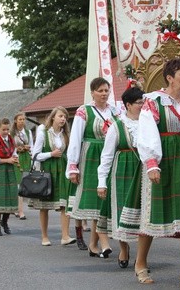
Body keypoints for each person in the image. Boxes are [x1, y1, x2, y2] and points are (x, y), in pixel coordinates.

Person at [135, 59, 180, 286]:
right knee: (153, 213)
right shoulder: (154, 101)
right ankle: (140, 263)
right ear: (170, 77)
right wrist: (152, 162)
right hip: (163, 158)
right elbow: (146, 131)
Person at [66, 77, 117, 258]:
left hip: (110, 156)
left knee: (105, 201)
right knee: (96, 200)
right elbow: (75, 139)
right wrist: (73, 166)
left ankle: (94, 243)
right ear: (92, 92)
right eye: (100, 91)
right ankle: (98, 243)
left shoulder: (115, 111)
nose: (104, 94)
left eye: (106, 90)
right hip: (90, 157)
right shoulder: (84, 111)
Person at [96, 85, 144, 272]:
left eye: (143, 102)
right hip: (123, 171)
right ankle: (124, 249)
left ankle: (141, 258)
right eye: (139, 103)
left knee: (143, 214)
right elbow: (106, 156)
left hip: (143, 170)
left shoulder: (150, 123)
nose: (142, 106)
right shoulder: (117, 126)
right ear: (128, 105)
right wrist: (102, 182)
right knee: (122, 212)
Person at [30, 106, 76, 246]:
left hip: (62, 170)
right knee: (44, 206)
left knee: (64, 204)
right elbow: (35, 156)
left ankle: (65, 236)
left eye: (65, 117)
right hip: (47, 171)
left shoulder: (66, 134)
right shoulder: (44, 132)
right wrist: (51, 154)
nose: (63, 119)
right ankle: (44, 236)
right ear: (53, 117)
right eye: (60, 116)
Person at [11, 112, 34, 220]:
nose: (22, 121)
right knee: (18, 184)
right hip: (17, 158)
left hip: (26, 158)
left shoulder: (28, 132)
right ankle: (20, 210)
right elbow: (9, 148)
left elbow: (32, 146)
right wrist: (17, 149)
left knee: (24, 183)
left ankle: (18, 208)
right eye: (20, 119)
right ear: (15, 120)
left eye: (24, 119)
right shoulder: (12, 133)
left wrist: (28, 149)